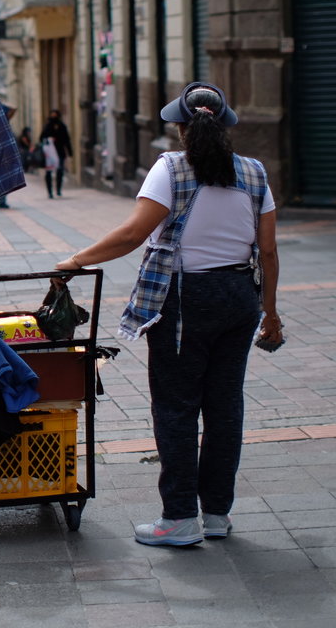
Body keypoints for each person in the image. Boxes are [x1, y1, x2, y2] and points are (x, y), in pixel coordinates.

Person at [56, 82, 281, 547]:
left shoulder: (171, 170)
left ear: (181, 128)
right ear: (226, 126)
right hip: (239, 296)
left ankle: (179, 518)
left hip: (184, 299)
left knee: (177, 408)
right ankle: (216, 514)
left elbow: (133, 234)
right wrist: (271, 314)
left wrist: (77, 260)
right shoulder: (255, 173)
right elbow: (269, 250)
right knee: (225, 408)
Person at [39, 109, 73, 197]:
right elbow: (41, 138)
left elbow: (66, 139)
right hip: (49, 153)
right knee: (49, 172)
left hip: (59, 151)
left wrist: (70, 152)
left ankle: (58, 189)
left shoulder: (62, 126)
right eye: (52, 115)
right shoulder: (47, 126)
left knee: (60, 171)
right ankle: (50, 192)